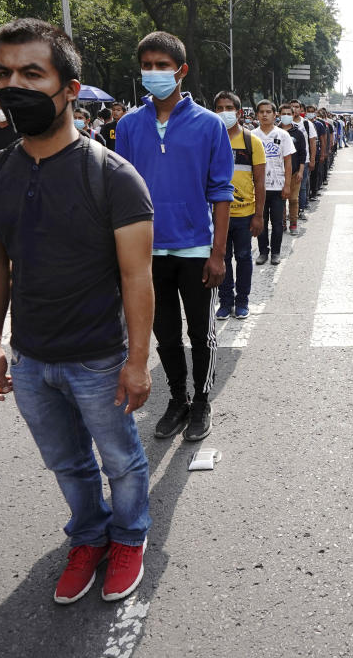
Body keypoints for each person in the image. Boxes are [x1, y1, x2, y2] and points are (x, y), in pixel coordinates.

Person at [0, 18, 155, 605]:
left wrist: (138, 361)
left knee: (120, 461)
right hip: (30, 360)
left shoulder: (113, 177)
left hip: (100, 359)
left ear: (69, 87)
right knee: (66, 464)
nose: (13, 86)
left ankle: (129, 537)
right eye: (4, 73)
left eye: (32, 73)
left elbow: (137, 275)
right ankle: (89, 535)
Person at [116, 30, 233, 442]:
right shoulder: (129, 125)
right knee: (164, 333)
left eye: (161, 66)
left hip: (197, 249)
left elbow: (221, 191)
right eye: (147, 66)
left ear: (180, 71)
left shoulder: (210, 125)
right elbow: (122, 190)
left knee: (200, 333)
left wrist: (218, 254)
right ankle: (178, 399)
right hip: (147, 253)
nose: (153, 73)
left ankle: (202, 401)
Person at [213, 91, 265, 320]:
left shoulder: (251, 141)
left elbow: (260, 181)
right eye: (220, 108)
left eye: (228, 108)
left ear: (239, 112)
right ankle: (225, 301)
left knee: (243, 257)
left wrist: (259, 216)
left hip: (245, 214)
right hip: (217, 214)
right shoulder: (211, 139)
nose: (224, 112)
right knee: (221, 258)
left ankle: (242, 301)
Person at [250, 99, 293, 264]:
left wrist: (287, 185)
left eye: (268, 112)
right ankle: (263, 252)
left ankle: (275, 252)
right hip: (258, 188)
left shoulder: (283, 135)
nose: (265, 115)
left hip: (278, 186)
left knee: (277, 223)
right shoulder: (252, 135)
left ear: (275, 115)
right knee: (260, 221)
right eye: (261, 112)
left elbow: (288, 162)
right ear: (257, 115)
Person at [278, 102, 307, 236]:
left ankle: (293, 224)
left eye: (288, 114)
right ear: (278, 115)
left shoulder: (298, 133)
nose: (286, 116)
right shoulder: (274, 132)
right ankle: (282, 223)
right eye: (283, 114)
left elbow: (302, 154)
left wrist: (301, 171)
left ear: (293, 114)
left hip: (295, 173)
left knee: (294, 200)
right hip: (278, 174)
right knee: (280, 201)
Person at [289, 99, 316, 220]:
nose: (294, 109)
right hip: (286, 162)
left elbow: (312, 142)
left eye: (297, 106)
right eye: (292, 107)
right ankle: (290, 212)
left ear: (301, 109)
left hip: (303, 161)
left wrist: (313, 159)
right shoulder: (282, 125)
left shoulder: (306, 124)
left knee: (302, 187)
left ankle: (301, 210)